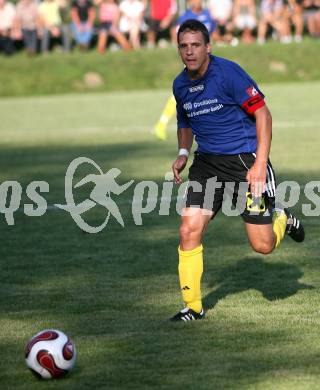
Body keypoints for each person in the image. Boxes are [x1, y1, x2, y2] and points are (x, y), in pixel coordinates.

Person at [170, 19, 305, 322]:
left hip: (245, 162)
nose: (189, 52)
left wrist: (259, 164)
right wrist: (182, 153)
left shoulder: (229, 73)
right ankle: (192, 307)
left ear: (208, 47)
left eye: (195, 45)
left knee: (262, 245)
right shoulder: (180, 85)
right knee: (188, 228)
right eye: (184, 46)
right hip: (206, 165)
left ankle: (281, 218)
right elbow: (185, 121)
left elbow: (263, 115)